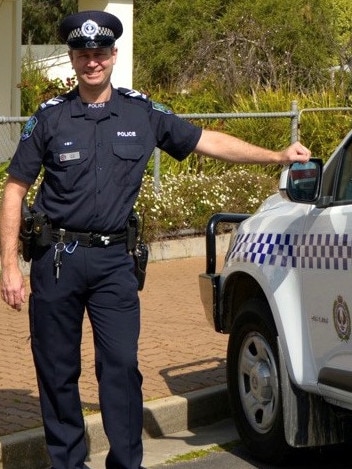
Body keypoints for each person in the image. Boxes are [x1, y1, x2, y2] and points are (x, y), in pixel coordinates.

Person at [0, 9, 311, 469]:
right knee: (56, 373)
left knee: (122, 370)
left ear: (113, 55)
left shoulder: (142, 112)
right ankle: (67, 463)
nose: (92, 62)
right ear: (71, 58)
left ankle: (125, 463)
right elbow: (16, 188)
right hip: (56, 262)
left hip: (113, 267)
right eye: (83, 54)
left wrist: (277, 155)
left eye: (100, 53)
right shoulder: (49, 118)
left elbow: (208, 140)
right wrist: (9, 264)